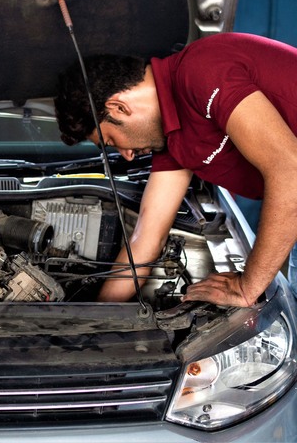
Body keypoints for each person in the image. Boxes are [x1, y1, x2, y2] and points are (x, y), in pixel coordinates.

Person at [53, 32, 297, 307]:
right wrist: (93, 322)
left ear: (119, 107)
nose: (128, 156)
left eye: (111, 141)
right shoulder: (174, 141)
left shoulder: (201, 71)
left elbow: (290, 171)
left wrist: (245, 287)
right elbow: (145, 239)